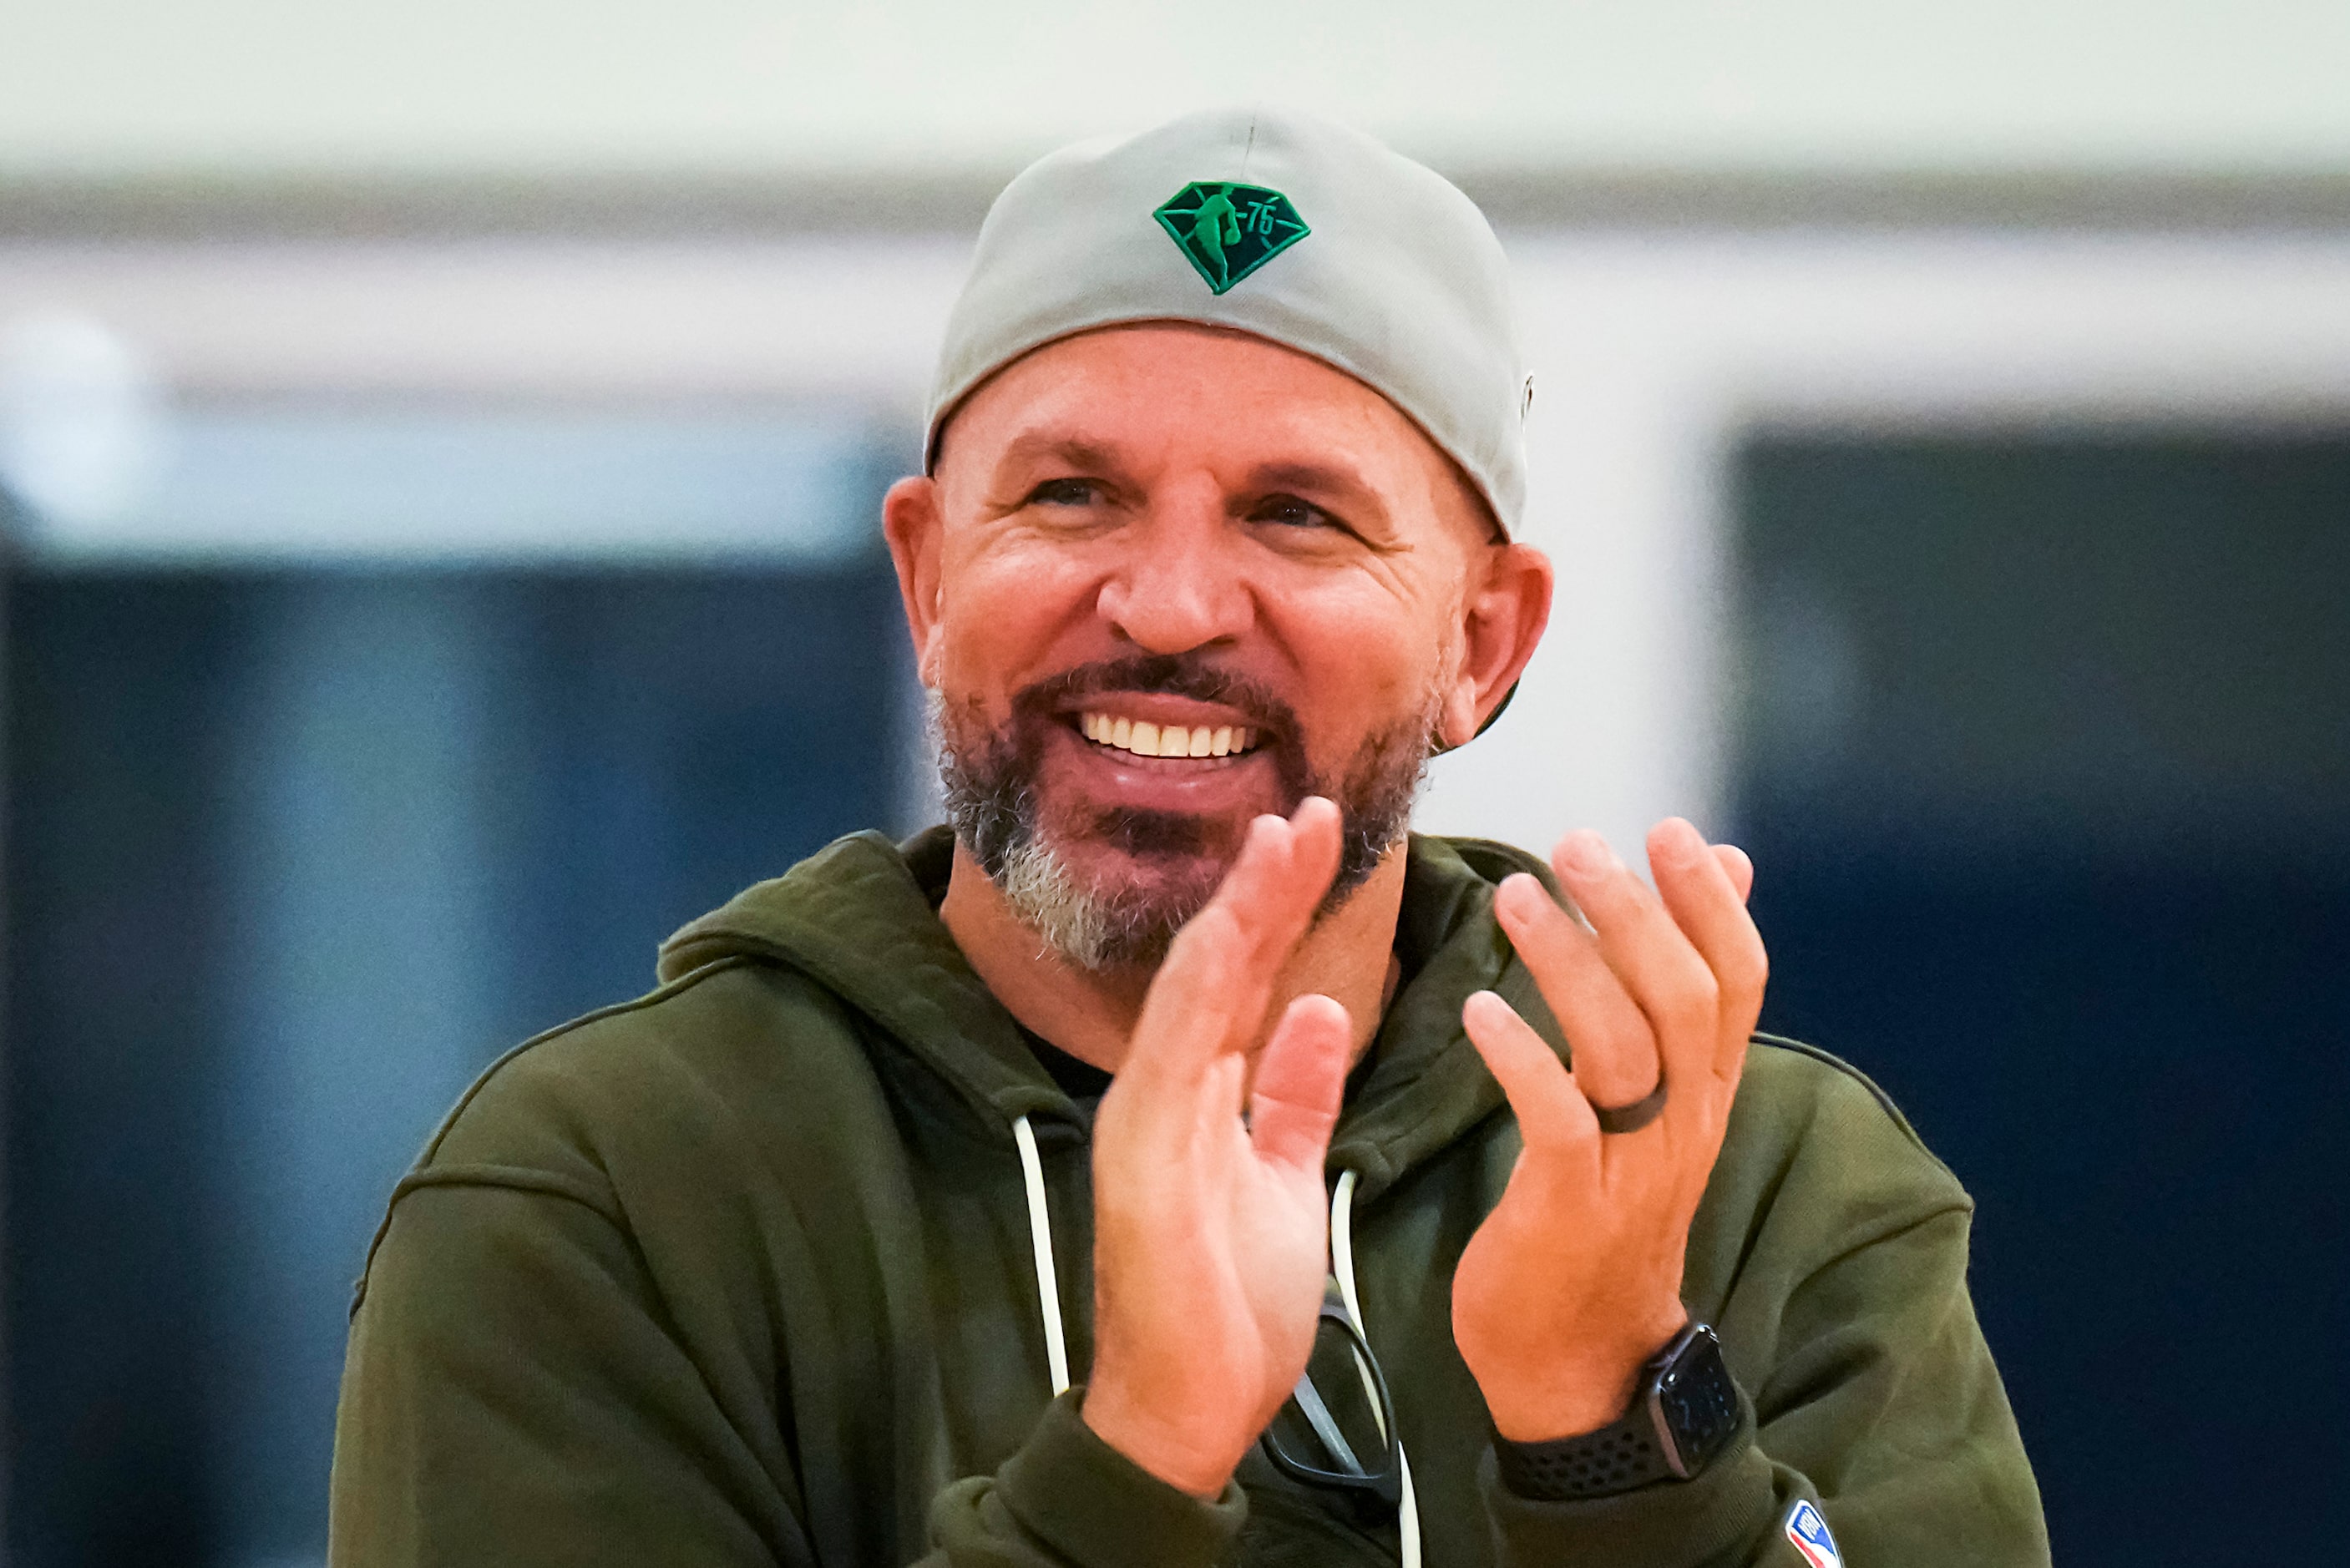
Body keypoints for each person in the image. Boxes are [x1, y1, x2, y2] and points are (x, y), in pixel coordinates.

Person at [328, 108, 2049, 1566]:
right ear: (930, 576)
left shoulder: (1760, 1187)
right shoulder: (615, 1193)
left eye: (1295, 515)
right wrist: (1132, 1461)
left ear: (1483, 643)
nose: (1163, 602)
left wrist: (1618, 1426)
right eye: (1070, 493)